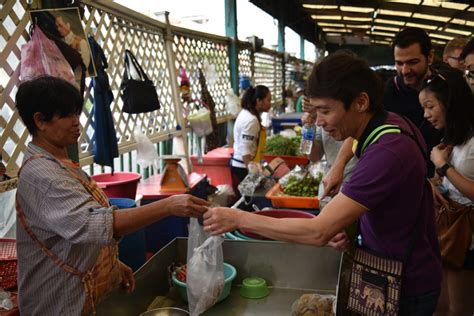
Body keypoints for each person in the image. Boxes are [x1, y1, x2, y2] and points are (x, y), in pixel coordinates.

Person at [204, 51, 442, 314]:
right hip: (394, 264)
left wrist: (237, 219)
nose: (319, 121)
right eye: (316, 111)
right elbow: (355, 147)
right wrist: (340, 176)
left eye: (326, 111)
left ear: (361, 102)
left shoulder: (387, 152)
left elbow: (318, 232)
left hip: (406, 285)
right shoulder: (386, 123)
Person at [14, 76, 209, 315]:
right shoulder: (42, 175)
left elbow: (68, 229)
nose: (77, 122)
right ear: (40, 121)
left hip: (82, 293)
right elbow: (94, 224)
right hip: (57, 303)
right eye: (67, 115)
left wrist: (111, 264)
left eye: (77, 113)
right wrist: (168, 206)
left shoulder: (59, 163)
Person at [419, 68, 474, 316]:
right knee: (439, 304)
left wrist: (443, 165)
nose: (425, 114)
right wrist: (434, 181)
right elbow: (451, 183)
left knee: (458, 309)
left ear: (449, 102)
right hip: (449, 228)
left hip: (466, 235)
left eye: (430, 106)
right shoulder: (456, 138)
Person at [383, 27, 442, 177]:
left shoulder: (445, 86)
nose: (405, 70)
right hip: (401, 177)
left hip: (441, 179)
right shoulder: (387, 92)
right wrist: (339, 165)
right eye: (399, 63)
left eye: (412, 62)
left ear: (429, 57)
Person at [230, 85, 271, 197]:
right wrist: (252, 174)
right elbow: (245, 149)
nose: (270, 103)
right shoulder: (251, 120)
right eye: (268, 100)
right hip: (242, 167)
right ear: (259, 101)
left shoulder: (247, 113)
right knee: (248, 201)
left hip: (242, 164)